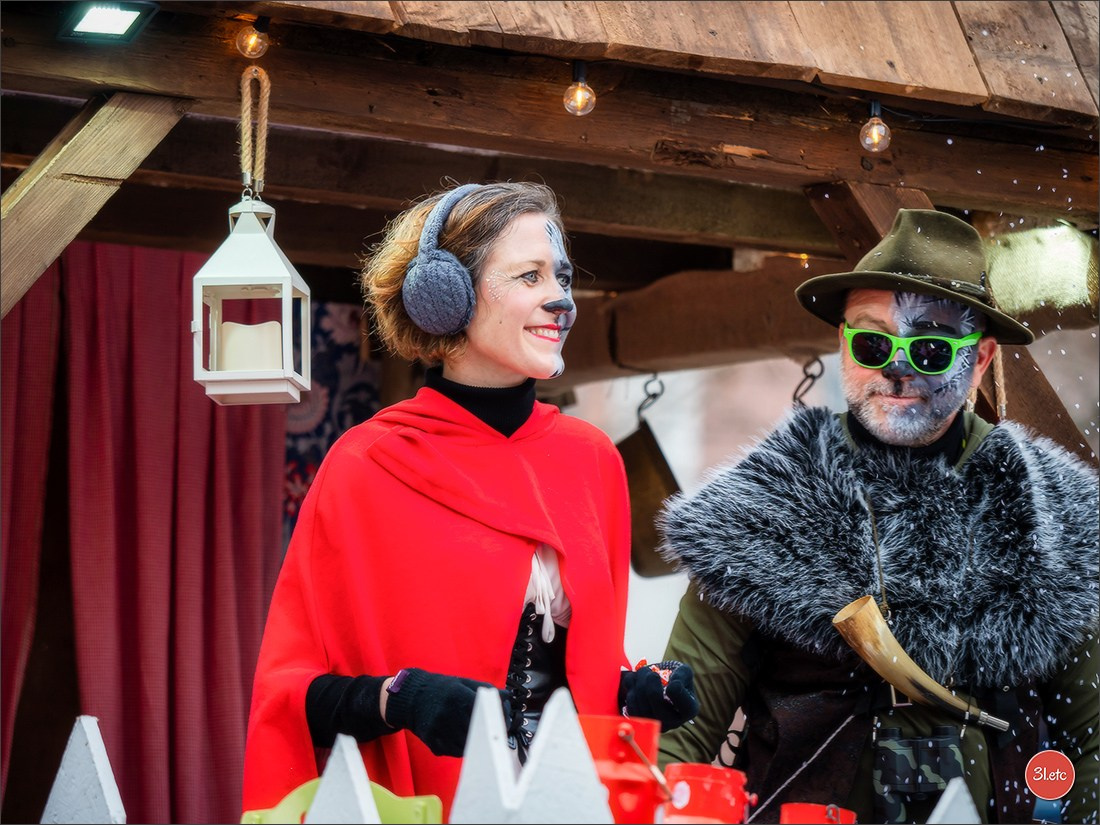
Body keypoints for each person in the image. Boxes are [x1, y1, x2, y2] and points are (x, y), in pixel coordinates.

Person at [241, 181, 697, 819]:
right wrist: (397, 699)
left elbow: (568, 671)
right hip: (426, 806)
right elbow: (293, 698)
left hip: (570, 804)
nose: (560, 299)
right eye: (529, 276)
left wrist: (633, 689)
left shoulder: (594, 461)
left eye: (561, 277)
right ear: (443, 297)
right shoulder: (366, 465)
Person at [655, 208, 1098, 824]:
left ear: (978, 359)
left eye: (931, 347)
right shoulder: (765, 506)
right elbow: (680, 724)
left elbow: (1094, 741)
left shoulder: (1060, 519)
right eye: (872, 341)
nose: (896, 368)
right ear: (843, 346)